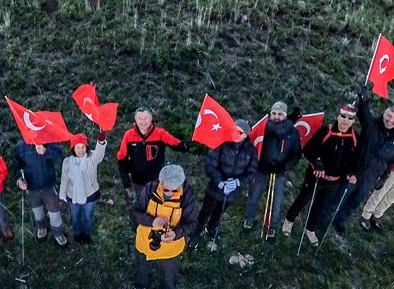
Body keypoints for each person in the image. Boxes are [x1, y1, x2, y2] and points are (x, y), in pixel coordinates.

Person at [283, 103, 361, 246]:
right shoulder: (326, 132)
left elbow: (356, 160)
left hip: (334, 181)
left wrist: (352, 172)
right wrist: (317, 163)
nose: (345, 120)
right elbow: (308, 149)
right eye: (343, 116)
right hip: (316, 176)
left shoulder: (355, 139)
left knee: (320, 205)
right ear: (338, 116)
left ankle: (310, 229)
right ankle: (289, 220)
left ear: (353, 121)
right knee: (303, 199)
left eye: (350, 118)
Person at [334, 90, 394, 231]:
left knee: (354, 202)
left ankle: (340, 220)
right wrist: (364, 100)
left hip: (371, 178)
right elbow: (363, 113)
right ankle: (325, 218)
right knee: (339, 197)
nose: (390, 120)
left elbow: (391, 161)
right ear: (384, 113)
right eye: (389, 116)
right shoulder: (371, 125)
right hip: (355, 172)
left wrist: (383, 178)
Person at [130, 164, 197, 289]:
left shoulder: (187, 196)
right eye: (166, 189)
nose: (170, 193)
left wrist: (176, 233)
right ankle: (140, 286)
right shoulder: (150, 188)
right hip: (145, 240)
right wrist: (152, 221)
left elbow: (191, 223)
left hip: (170, 246)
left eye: (175, 190)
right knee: (142, 267)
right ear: (161, 182)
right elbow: (135, 212)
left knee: (169, 271)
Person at [191, 119, 256, 250]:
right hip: (215, 188)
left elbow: (251, 171)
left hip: (232, 192)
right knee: (206, 211)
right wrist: (220, 182)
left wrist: (238, 182)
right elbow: (210, 165)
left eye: (239, 132)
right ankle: (195, 234)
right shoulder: (221, 142)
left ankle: (211, 229)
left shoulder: (251, 151)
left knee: (219, 212)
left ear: (246, 135)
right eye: (234, 130)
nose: (235, 133)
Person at [247, 101, 302, 239]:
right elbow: (278, 130)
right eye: (274, 113)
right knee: (254, 196)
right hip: (262, 168)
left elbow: (296, 154)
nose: (276, 116)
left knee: (276, 202)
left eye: (280, 114)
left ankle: (273, 226)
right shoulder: (266, 126)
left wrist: (285, 166)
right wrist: (291, 119)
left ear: (285, 115)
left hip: (279, 171)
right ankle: (249, 218)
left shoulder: (293, 133)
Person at [116, 107, 189, 202]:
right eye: (140, 118)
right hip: (138, 182)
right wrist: (126, 183)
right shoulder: (128, 136)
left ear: (150, 119)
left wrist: (189, 144)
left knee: (157, 206)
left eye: (145, 118)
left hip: (157, 180)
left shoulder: (160, 133)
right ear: (135, 120)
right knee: (141, 206)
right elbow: (121, 159)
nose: (143, 122)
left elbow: (177, 145)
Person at [13, 139, 68, 247]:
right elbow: (16, 166)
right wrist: (19, 180)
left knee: (54, 213)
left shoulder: (49, 141)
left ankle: (58, 233)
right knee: (37, 211)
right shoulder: (20, 146)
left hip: (48, 186)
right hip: (32, 187)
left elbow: (59, 158)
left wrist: (46, 152)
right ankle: (42, 227)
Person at [58, 132, 107, 244]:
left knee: (88, 218)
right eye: (78, 147)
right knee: (75, 218)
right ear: (73, 149)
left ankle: (86, 234)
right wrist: (62, 195)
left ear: (87, 148)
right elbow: (64, 180)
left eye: (83, 147)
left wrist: (101, 141)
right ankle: (77, 233)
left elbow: (99, 154)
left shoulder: (92, 159)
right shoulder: (67, 162)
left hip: (89, 195)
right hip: (72, 196)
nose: (81, 150)